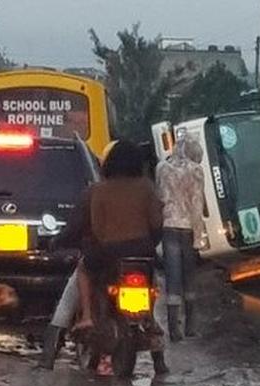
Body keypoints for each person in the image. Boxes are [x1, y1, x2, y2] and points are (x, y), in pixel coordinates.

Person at [39, 142, 167, 373]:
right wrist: (147, 244)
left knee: (82, 272)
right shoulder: (147, 188)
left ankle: (69, 334)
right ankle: (158, 356)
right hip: (142, 255)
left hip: (105, 255)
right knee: (151, 284)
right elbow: (158, 225)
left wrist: (56, 242)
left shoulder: (96, 191)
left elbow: (76, 228)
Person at [156, 132, 205, 342]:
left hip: (167, 227)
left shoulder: (162, 168)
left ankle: (173, 326)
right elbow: (197, 205)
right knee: (189, 277)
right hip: (186, 228)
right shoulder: (196, 171)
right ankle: (191, 325)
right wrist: (199, 236)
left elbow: (160, 197)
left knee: (172, 277)